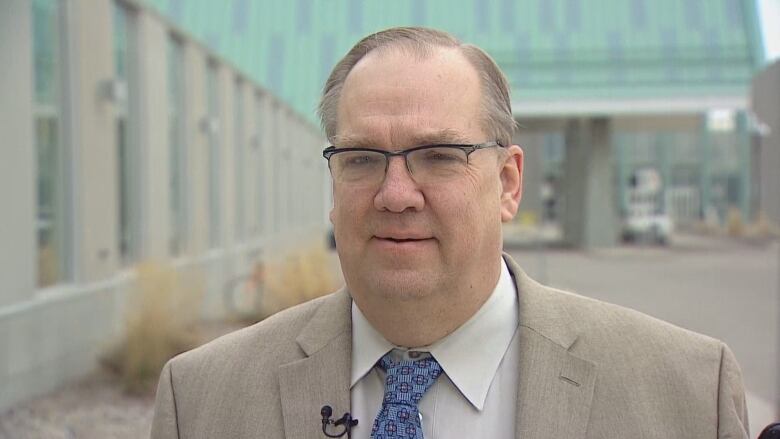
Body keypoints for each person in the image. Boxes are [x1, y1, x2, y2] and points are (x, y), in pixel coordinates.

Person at [150, 27, 749, 439]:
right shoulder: (202, 401)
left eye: (438, 155)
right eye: (361, 158)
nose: (395, 193)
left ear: (508, 182)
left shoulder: (686, 393)